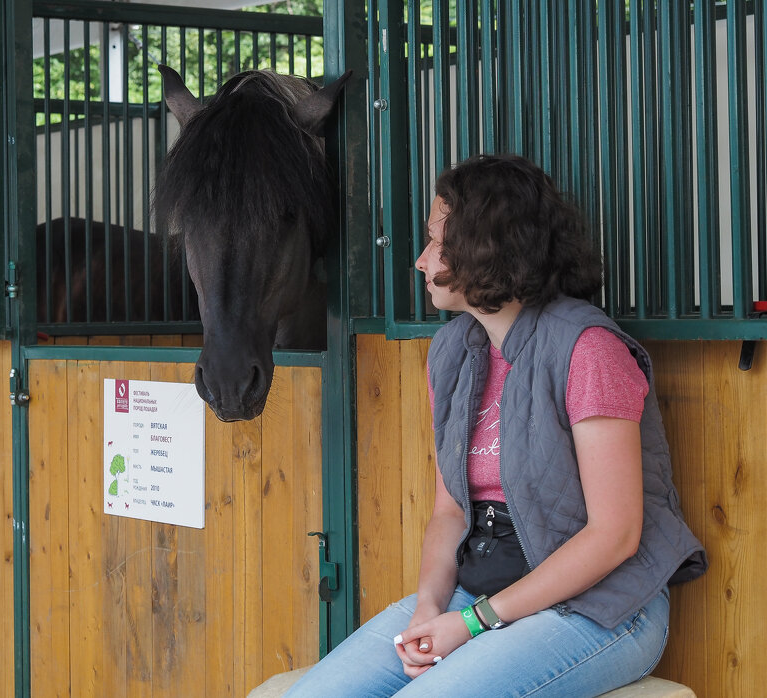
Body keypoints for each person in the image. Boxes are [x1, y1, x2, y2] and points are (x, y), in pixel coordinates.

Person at [286, 154, 706, 697]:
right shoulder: (453, 351)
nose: (418, 260)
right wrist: (429, 611)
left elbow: (616, 536)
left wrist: (474, 623)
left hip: (601, 608)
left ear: (483, 246)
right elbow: (450, 510)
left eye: (436, 241)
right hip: (476, 595)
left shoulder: (589, 350)